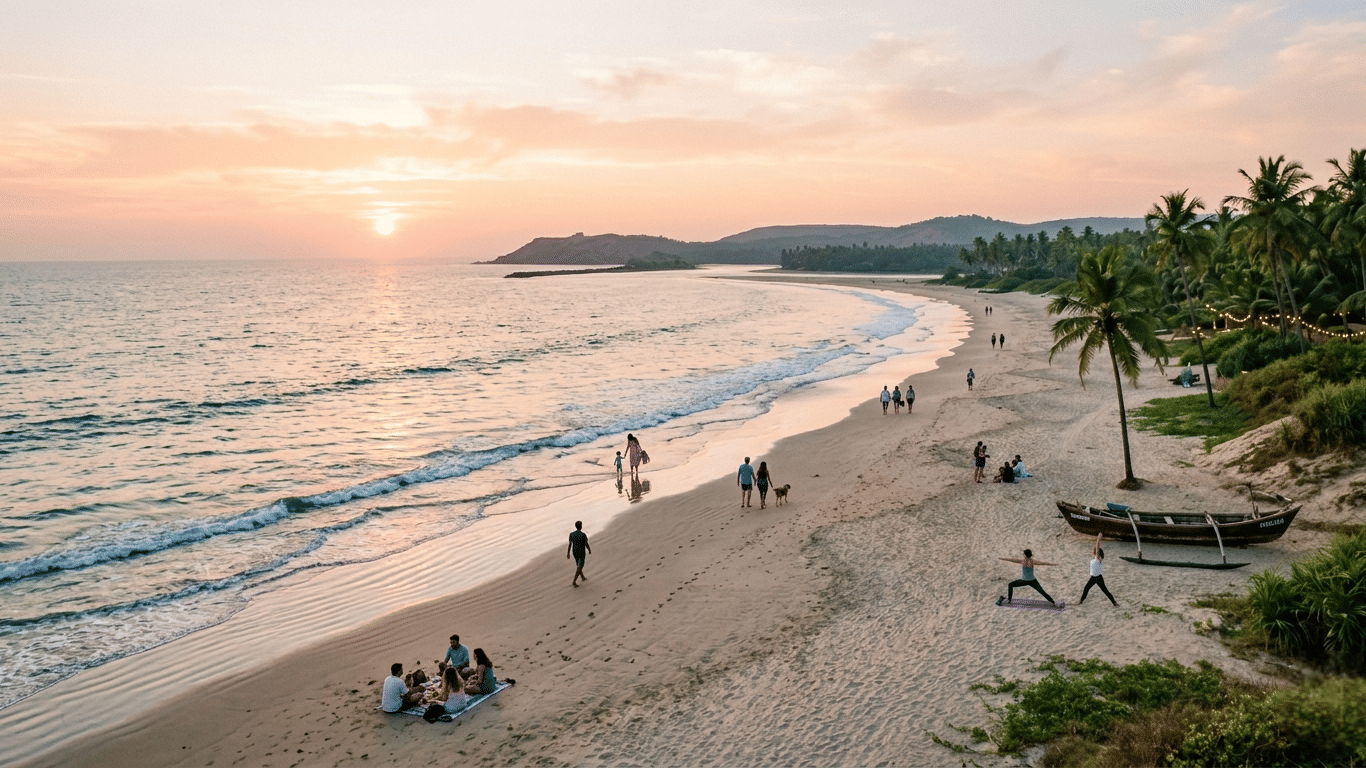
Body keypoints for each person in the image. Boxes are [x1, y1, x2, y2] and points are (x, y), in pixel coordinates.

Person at [1078, 533, 1118, 606]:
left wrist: (1098, 539)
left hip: (1099, 578)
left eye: (1098, 554)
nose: (1097, 555)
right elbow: (1095, 548)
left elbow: (1097, 546)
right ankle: (1080, 601)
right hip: (1092, 578)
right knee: (1086, 588)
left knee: (1105, 591)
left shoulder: (1098, 560)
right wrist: (1097, 542)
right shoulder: (1094, 559)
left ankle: (1114, 603)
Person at [568, 520, 591, 586]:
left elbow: (570, 544)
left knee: (578, 564)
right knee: (580, 566)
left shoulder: (571, 534)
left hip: (575, 552)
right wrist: (589, 549)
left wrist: (568, 553)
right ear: (581, 526)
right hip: (581, 552)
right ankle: (574, 581)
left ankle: (583, 577)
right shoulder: (583, 535)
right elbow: (586, 543)